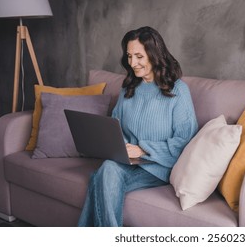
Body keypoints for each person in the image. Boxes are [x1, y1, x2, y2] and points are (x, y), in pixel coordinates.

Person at [77, 26, 198, 226]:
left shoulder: (178, 91)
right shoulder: (129, 89)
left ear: (154, 55)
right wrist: (119, 147)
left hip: (159, 166)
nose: (133, 63)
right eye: (130, 56)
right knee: (107, 169)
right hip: (127, 162)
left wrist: (142, 150)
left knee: (101, 176)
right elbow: (115, 126)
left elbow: (184, 142)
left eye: (139, 56)